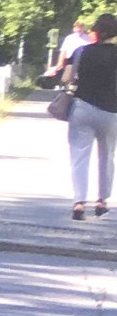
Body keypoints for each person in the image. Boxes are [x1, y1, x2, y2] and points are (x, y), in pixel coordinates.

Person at [70, 13, 117, 220]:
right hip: (110, 110)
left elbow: (70, 78)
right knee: (107, 156)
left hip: (83, 107)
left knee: (79, 156)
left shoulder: (81, 51)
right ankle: (101, 201)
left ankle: (79, 203)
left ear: (96, 31)